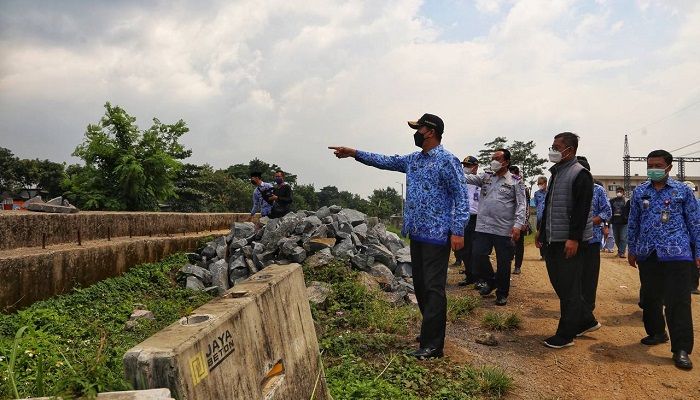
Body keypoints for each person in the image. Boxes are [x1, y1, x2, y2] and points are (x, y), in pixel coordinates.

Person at [329, 113, 469, 360]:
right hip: (417, 233)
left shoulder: (448, 161)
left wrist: (458, 230)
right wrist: (354, 153)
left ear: (431, 132)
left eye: (419, 128)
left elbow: (461, 197)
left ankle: (434, 346)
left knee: (434, 289)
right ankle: (430, 330)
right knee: (422, 286)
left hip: (437, 235)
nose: (415, 133)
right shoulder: (414, 160)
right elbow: (385, 160)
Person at [628, 150, 699, 370]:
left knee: (678, 301)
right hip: (648, 252)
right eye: (650, 165)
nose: (654, 169)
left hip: (677, 253)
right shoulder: (640, 191)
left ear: (668, 167)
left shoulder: (683, 191)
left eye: (658, 165)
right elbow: (634, 221)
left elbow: (695, 222)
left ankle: (681, 349)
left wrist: (698, 252)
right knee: (650, 297)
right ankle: (657, 332)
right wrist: (632, 247)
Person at [536, 132, 594, 349]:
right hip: (553, 237)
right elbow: (550, 206)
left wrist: (574, 238)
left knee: (568, 288)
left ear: (570, 149)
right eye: (552, 146)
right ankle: (586, 320)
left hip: (569, 241)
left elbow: (582, 210)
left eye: (557, 147)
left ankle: (566, 335)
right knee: (561, 284)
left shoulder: (580, 174)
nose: (553, 150)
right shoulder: (556, 173)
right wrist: (541, 230)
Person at [465, 149, 526, 306]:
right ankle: (492, 281)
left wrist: (518, 225)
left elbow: (521, 205)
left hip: (504, 228)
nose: (494, 161)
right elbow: (469, 178)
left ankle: (502, 293)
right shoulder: (486, 176)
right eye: (492, 159)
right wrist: (455, 170)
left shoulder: (515, 180)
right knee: (477, 256)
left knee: (504, 262)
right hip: (483, 226)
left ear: (506, 162)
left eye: (497, 159)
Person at [576, 157, 611, 336]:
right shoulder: (567, 189)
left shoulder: (598, 190)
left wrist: (589, 222)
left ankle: (587, 313)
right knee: (573, 278)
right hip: (571, 241)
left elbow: (606, 211)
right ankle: (577, 312)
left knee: (589, 278)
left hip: (591, 240)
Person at [458, 156, 482, 287]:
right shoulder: (463, 181)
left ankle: (479, 278)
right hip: (464, 218)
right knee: (465, 249)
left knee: (477, 250)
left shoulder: (482, 181)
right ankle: (470, 275)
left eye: (468, 165)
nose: (465, 168)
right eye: (464, 165)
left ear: (476, 167)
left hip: (477, 219)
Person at [508, 165, 529, 275]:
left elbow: (526, 206)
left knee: (519, 244)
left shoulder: (523, 188)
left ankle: (517, 266)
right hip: (506, 220)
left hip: (519, 220)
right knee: (508, 244)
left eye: (514, 174)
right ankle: (507, 264)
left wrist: (524, 222)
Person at [683, 180, 700, 295]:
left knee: (693, 263)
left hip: (693, 238)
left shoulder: (697, 203)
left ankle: (692, 286)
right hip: (684, 238)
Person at [609, 187, 630, 258]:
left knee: (623, 238)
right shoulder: (612, 201)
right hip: (615, 222)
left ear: (623, 192)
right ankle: (620, 251)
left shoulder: (627, 201)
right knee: (617, 238)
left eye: (620, 191)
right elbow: (609, 211)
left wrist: (628, 218)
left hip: (624, 222)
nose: (619, 192)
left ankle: (622, 252)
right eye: (618, 191)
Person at [533, 176, 548, 260]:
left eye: (541, 183)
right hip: (539, 218)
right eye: (539, 184)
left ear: (546, 183)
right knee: (540, 236)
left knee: (547, 236)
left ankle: (547, 254)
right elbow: (536, 204)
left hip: (548, 218)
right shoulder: (536, 193)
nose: (540, 185)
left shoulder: (550, 192)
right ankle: (542, 254)